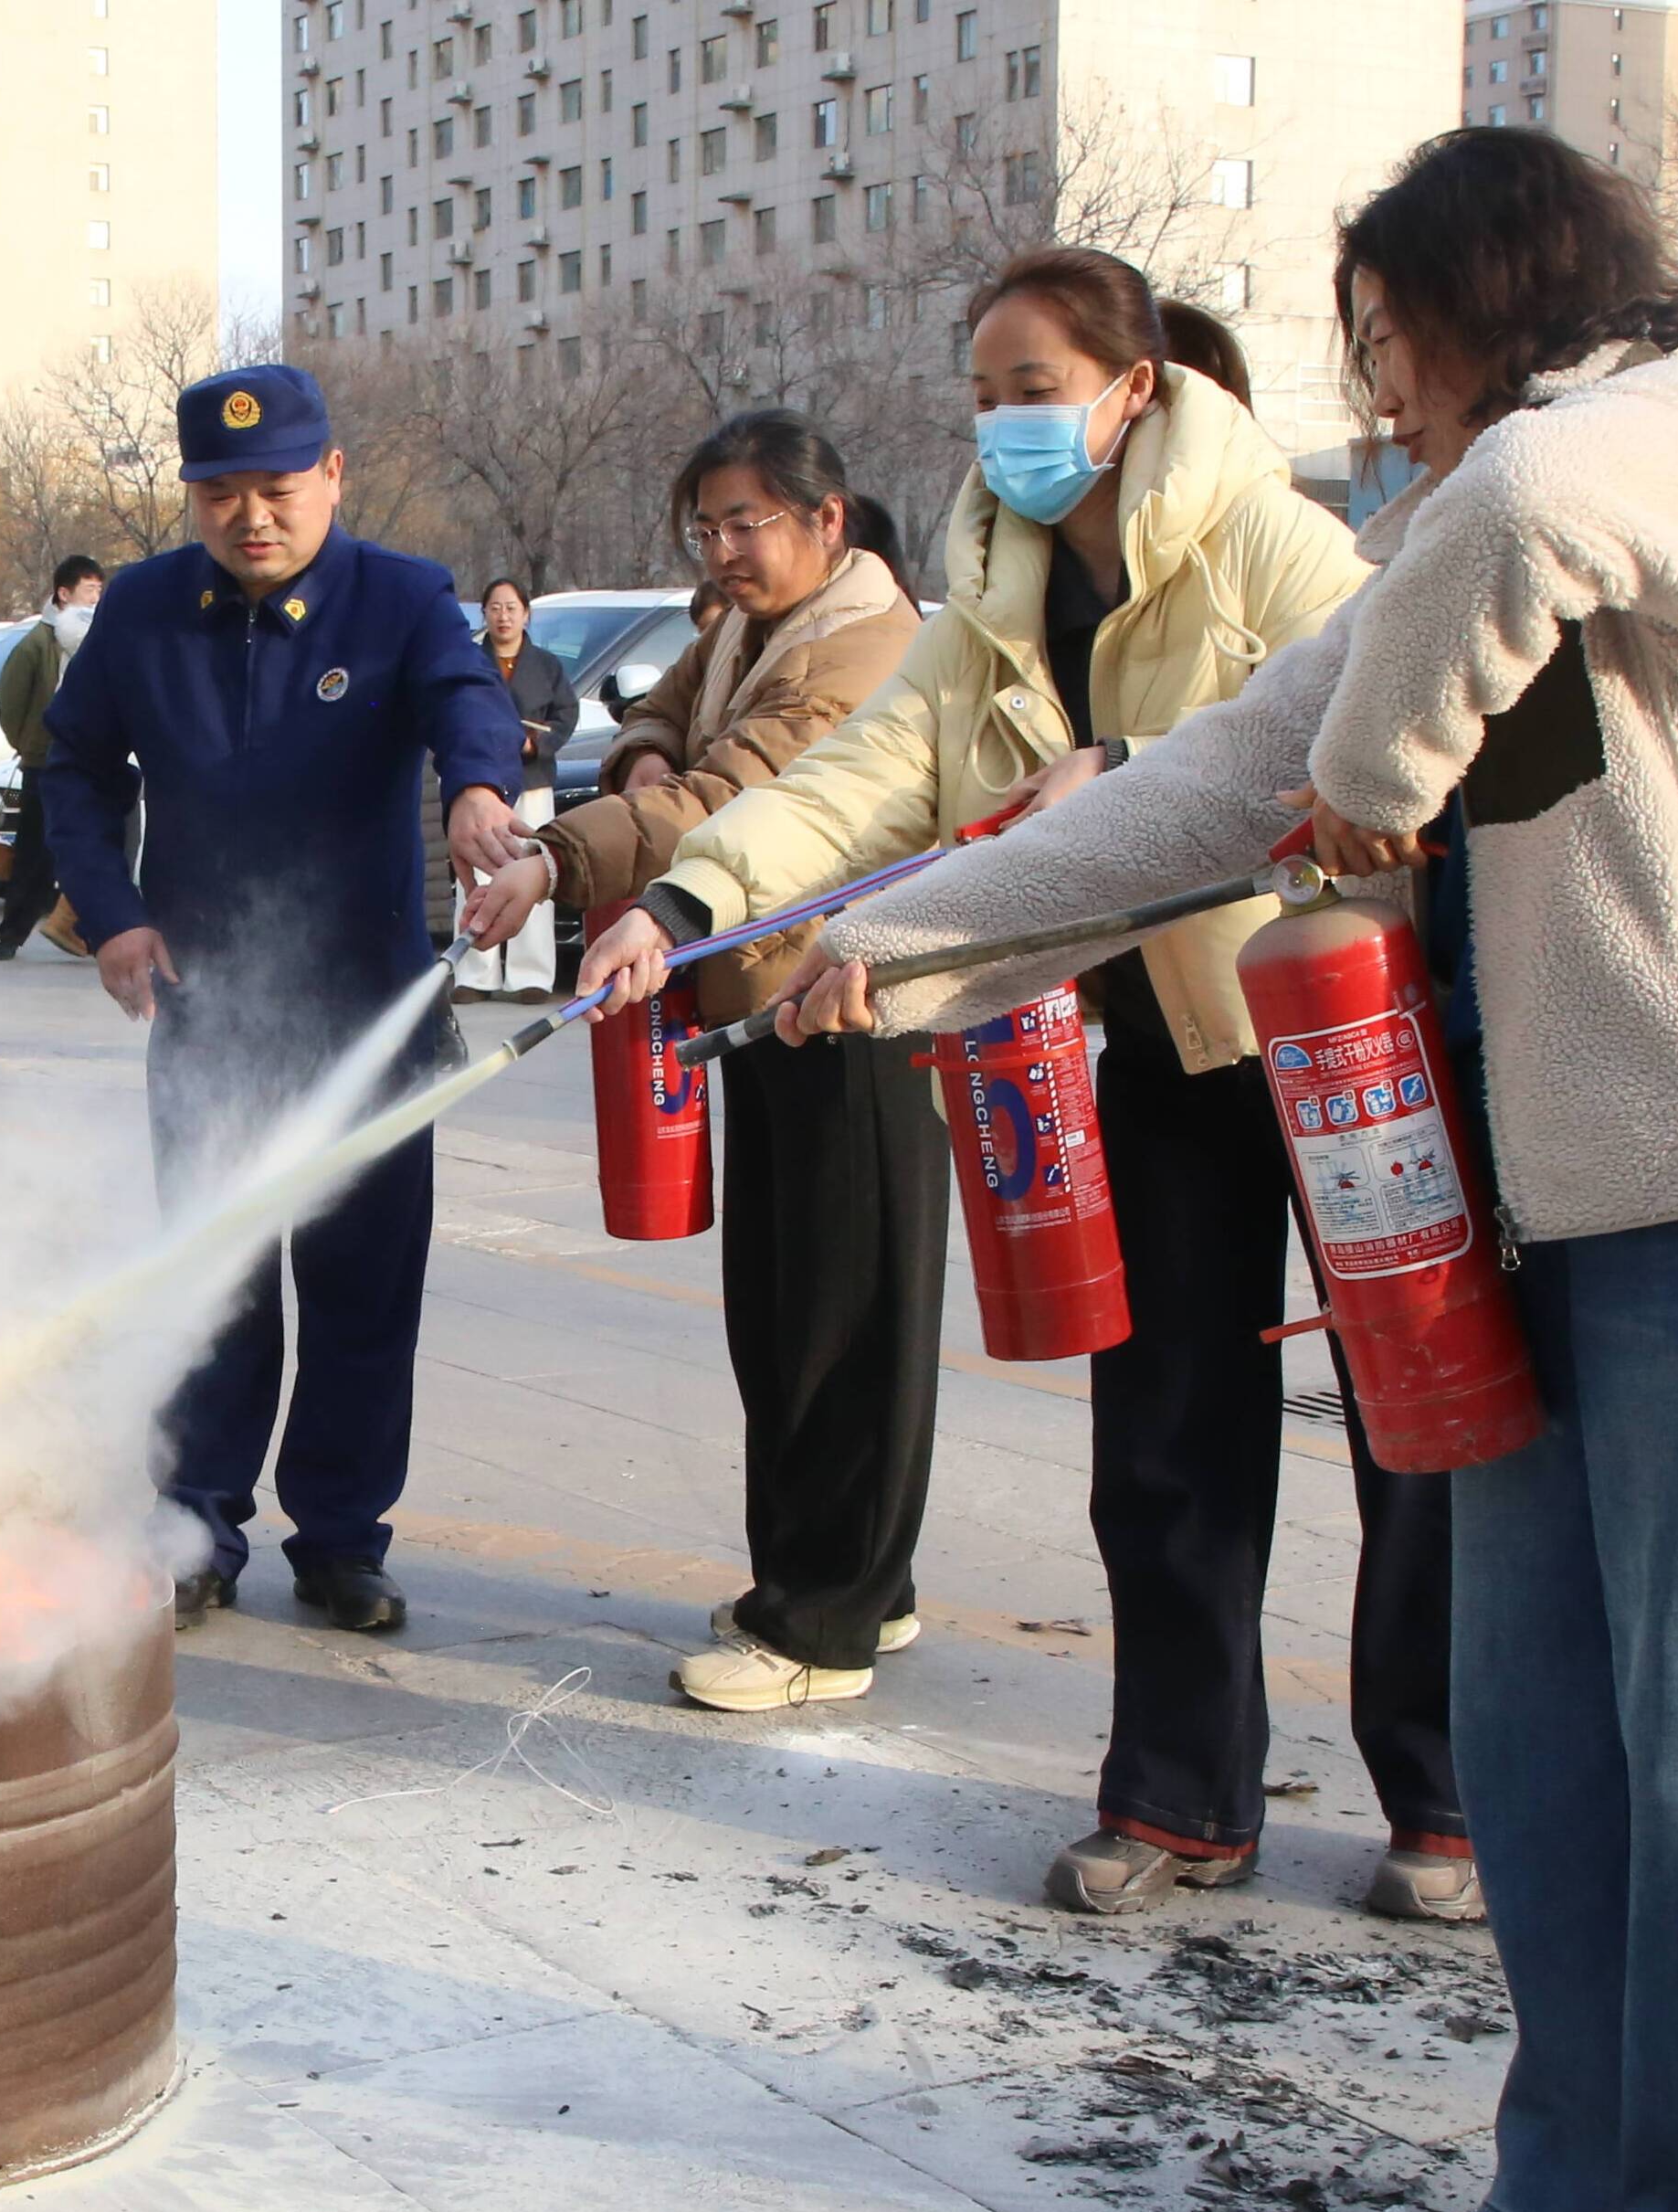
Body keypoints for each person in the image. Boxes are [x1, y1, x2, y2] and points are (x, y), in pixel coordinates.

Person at [787, 131, 1678, 2212]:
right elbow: (1210, 781)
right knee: (1544, 1725)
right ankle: (1581, 2183)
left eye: (1387, 343)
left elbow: (1513, 532)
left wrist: (1386, 767)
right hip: (1533, 1195)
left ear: (1492, 295)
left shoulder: (1670, 429)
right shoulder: (1448, 522)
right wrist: (891, 940)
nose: (1376, 394)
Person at [568, 257, 1471, 1935]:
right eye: (982, 394)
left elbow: (1364, 718)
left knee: (1406, 1416)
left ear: (1134, 387)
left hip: (1337, 1035)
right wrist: (688, 897)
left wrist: (1125, 769)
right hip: (1161, 1040)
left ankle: (1446, 1788)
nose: (1005, 424)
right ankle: (1178, 1790)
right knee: (1163, 1430)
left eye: (1036, 387)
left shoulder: (1268, 541)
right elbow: (864, 774)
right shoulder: (990, 592)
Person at [43, 365, 523, 1635]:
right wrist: (112, 912)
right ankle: (195, 1527)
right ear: (191, 494)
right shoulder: (144, 609)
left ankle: (342, 1540)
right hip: (204, 1007)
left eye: (276, 488)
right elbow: (73, 768)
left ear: (332, 475)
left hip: (365, 1011)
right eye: (220, 492)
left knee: (363, 1289)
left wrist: (478, 788)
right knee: (214, 1278)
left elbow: (464, 699)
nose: (249, 516)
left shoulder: (399, 597)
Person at [461, 414, 929, 1711]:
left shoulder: (861, 644)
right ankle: (856, 1578)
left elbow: (732, 798)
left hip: (853, 1005)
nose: (721, 549)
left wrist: (556, 857)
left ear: (825, 518)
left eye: (745, 523)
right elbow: (662, 720)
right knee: (782, 1309)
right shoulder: (750, 625)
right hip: (764, 1003)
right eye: (705, 526)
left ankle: (819, 1624)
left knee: (843, 1319)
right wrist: (644, 750)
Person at [449, 577, 579, 1000]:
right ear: (484, 614)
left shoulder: (546, 665)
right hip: (481, 779)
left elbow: (565, 715)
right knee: (477, 869)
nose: (503, 617)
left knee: (534, 867)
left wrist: (534, 743)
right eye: (495, 608)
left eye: (511, 608)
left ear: (526, 614)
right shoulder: (470, 660)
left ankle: (530, 975)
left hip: (532, 778)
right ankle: (474, 973)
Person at [0, 555, 105, 958]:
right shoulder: (38, 644)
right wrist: (29, 746)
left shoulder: (99, 639)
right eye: (89, 590)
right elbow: (11, 702)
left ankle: (82, 929)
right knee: (36, 850)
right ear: (64, 594)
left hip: (94, 760)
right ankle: (12, 934)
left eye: (99, 590)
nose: (96, 598)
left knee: (100, 846)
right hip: (45, 762)